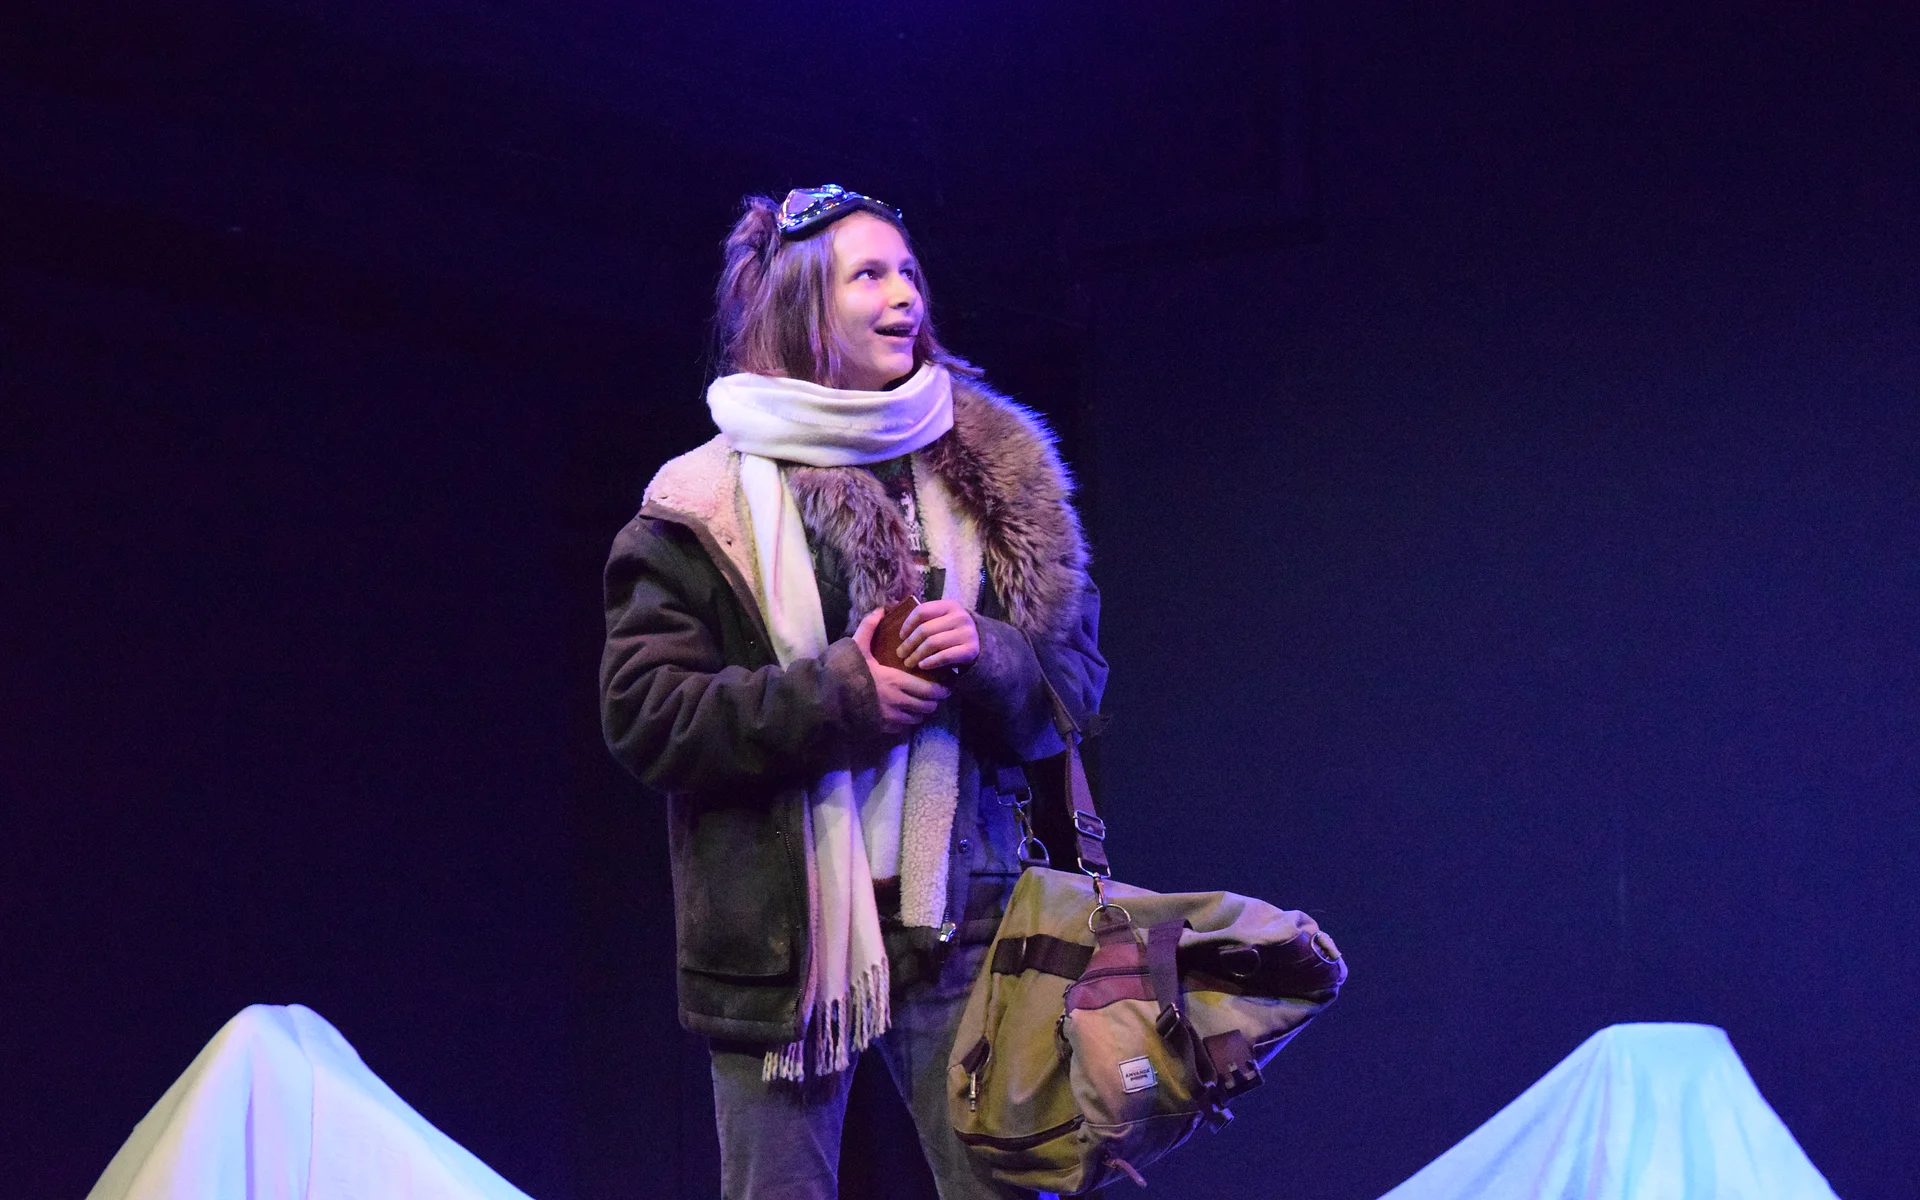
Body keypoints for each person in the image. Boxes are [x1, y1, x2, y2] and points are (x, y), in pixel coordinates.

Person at [599, 184, 1105, 1199]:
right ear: (799, 304)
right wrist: (843, 698)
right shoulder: (699, 502)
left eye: (908, 272)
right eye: (867, 275)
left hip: (965, 917)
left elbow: (1073, 690)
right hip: (782, 939)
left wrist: (991, 652)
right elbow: (648, 717)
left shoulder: (995, 472)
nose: (903, 295)